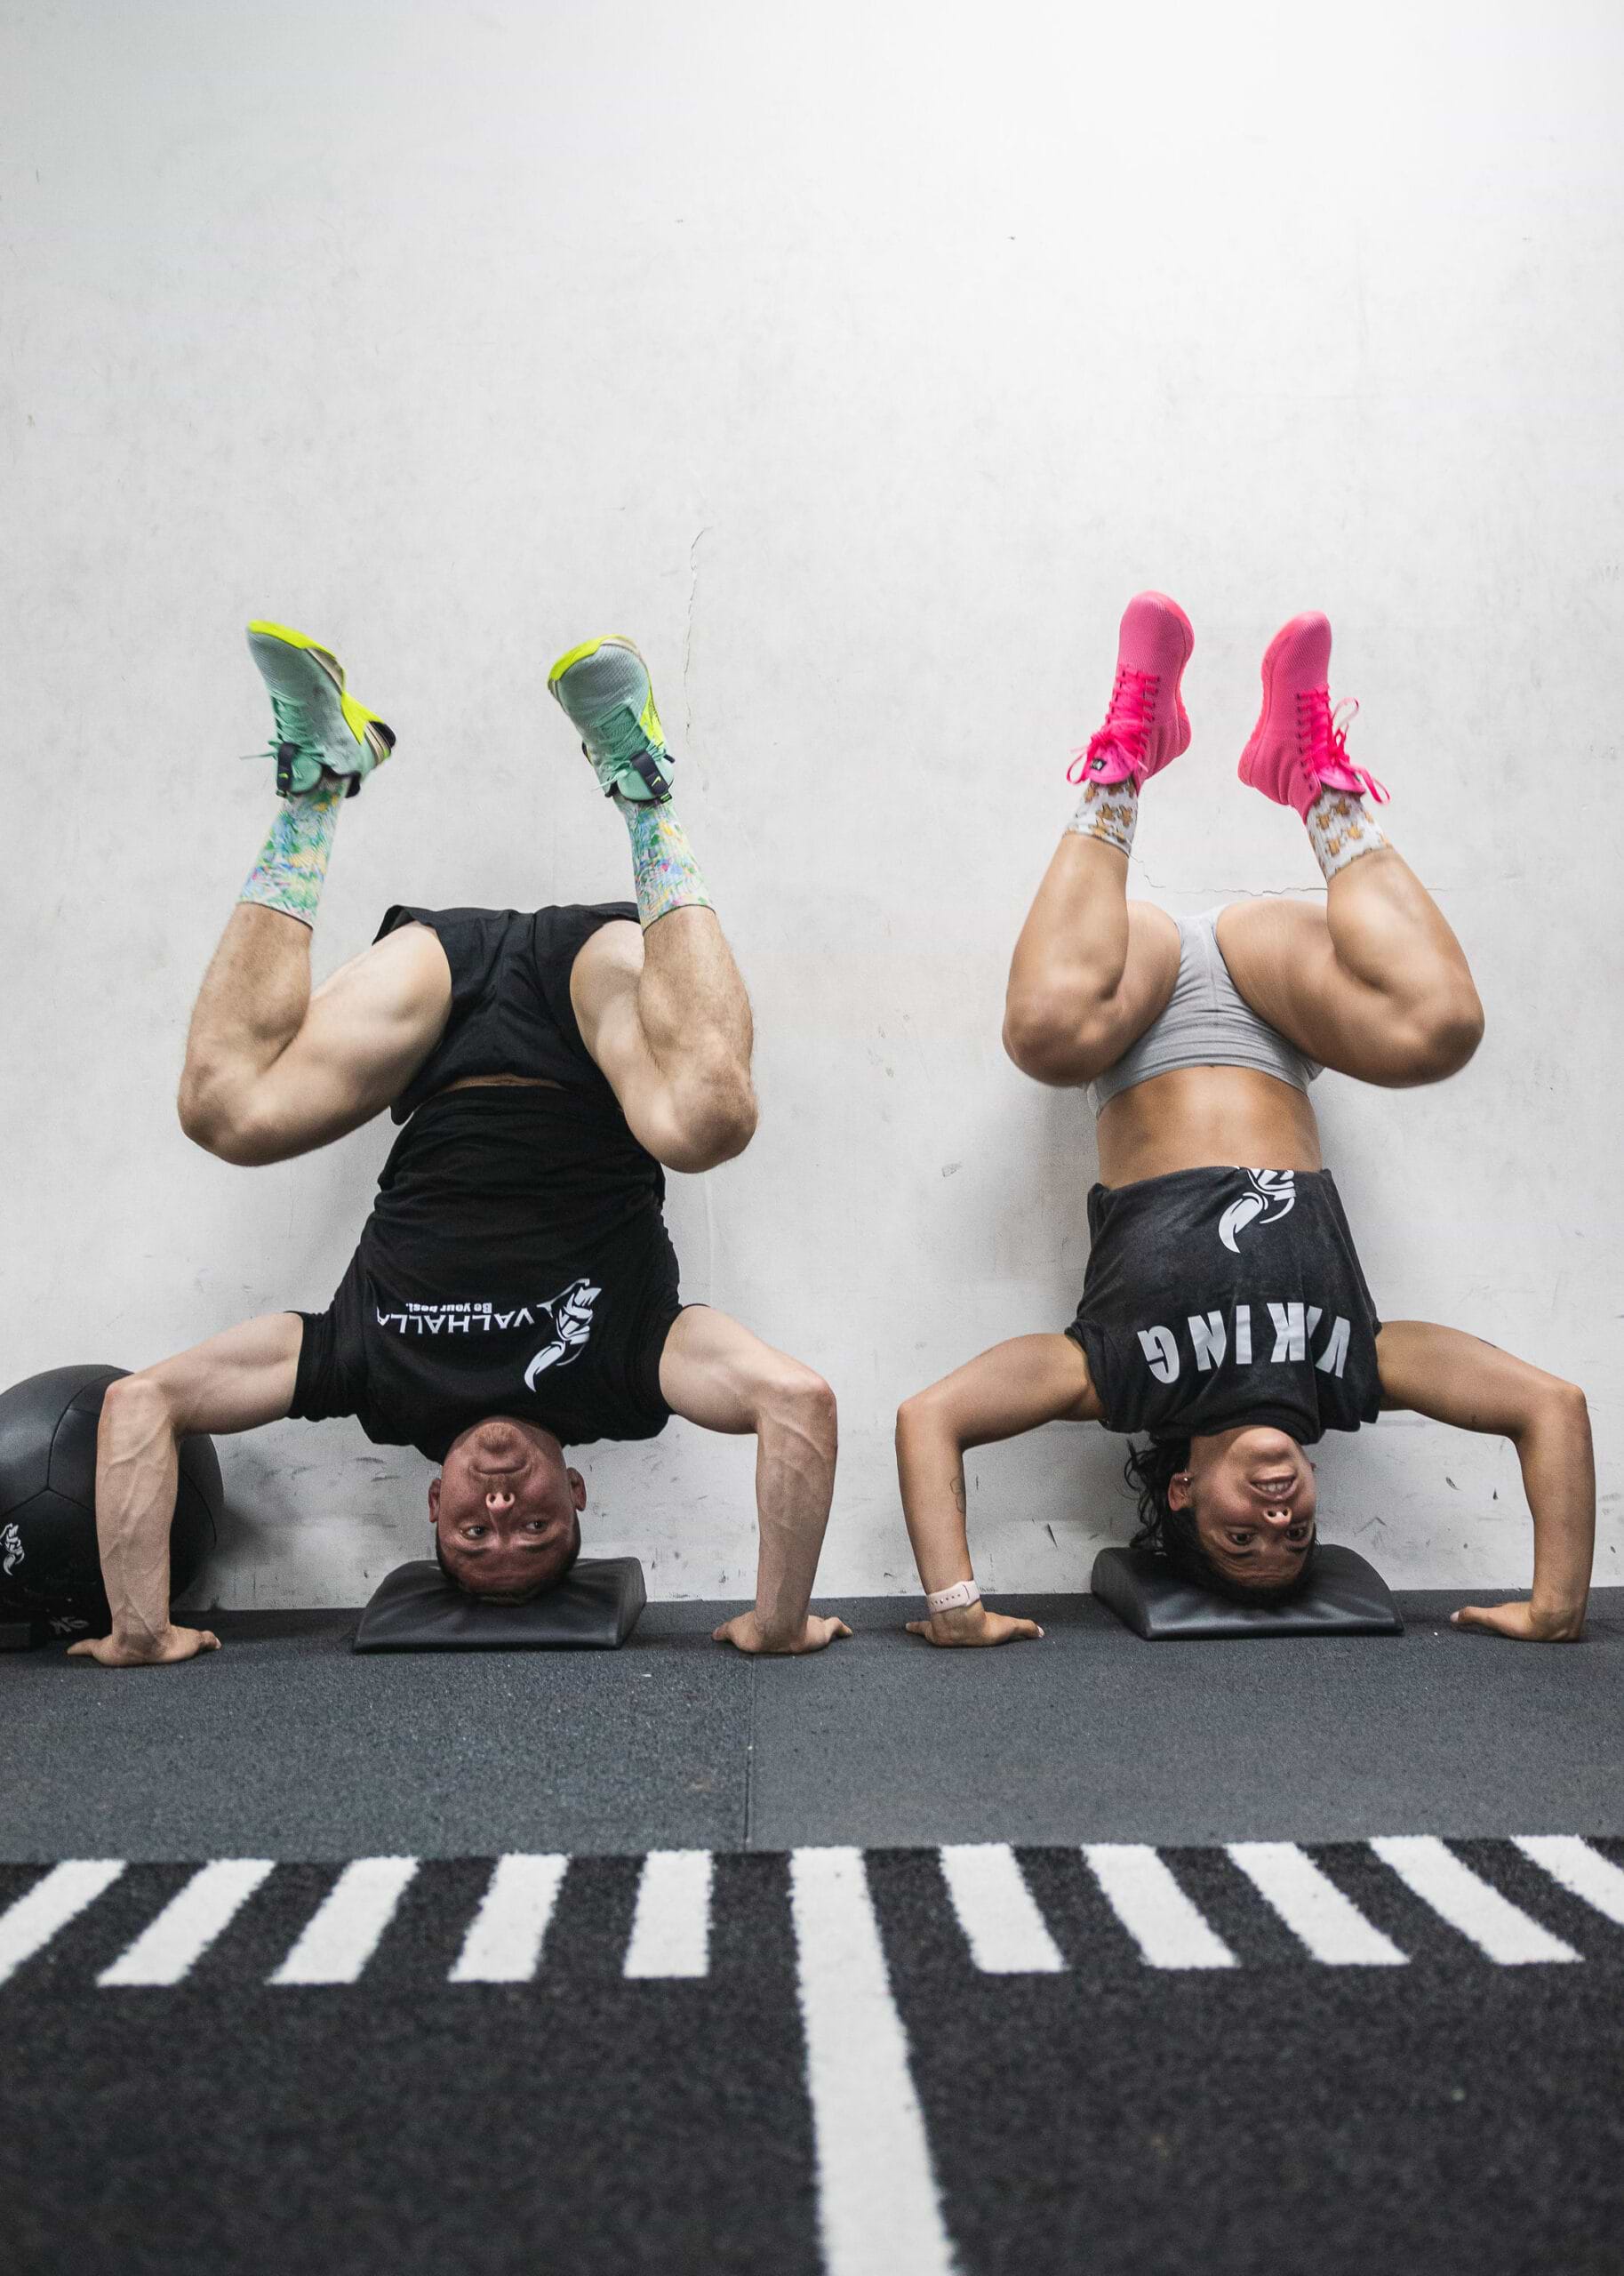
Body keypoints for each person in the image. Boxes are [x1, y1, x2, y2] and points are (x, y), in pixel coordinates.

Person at [71, 624, 849, 1667]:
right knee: (706, 1121)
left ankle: (318, 782)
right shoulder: (627, 1373)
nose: (502, 1507)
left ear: (432, 1502)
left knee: (223, 1110)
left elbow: (143, 1401)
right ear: (577, 1491)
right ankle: (645, 789)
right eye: (536, 1526)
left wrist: (138, 1627)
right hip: (587, 1022)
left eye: (473, 1532)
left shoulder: (372, 1377)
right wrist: (781, 1618)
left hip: (434, 1022)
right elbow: (796, 1402)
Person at [896, 594, 1595, 1647]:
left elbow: (931, 1417)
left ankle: (1127, 757)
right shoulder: (1348, 1371)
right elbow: (1552, 1406)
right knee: (1444, 1028)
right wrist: (1556, 1606)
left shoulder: (1122, 1380)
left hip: (1129, 1005)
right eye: (1296, 1538)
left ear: (1181, 1495)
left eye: (1242, 1539)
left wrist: (954, 1608)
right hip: (1275, 1003)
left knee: (1041, 1034)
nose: (1278, 1520)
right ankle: (1312, 781)